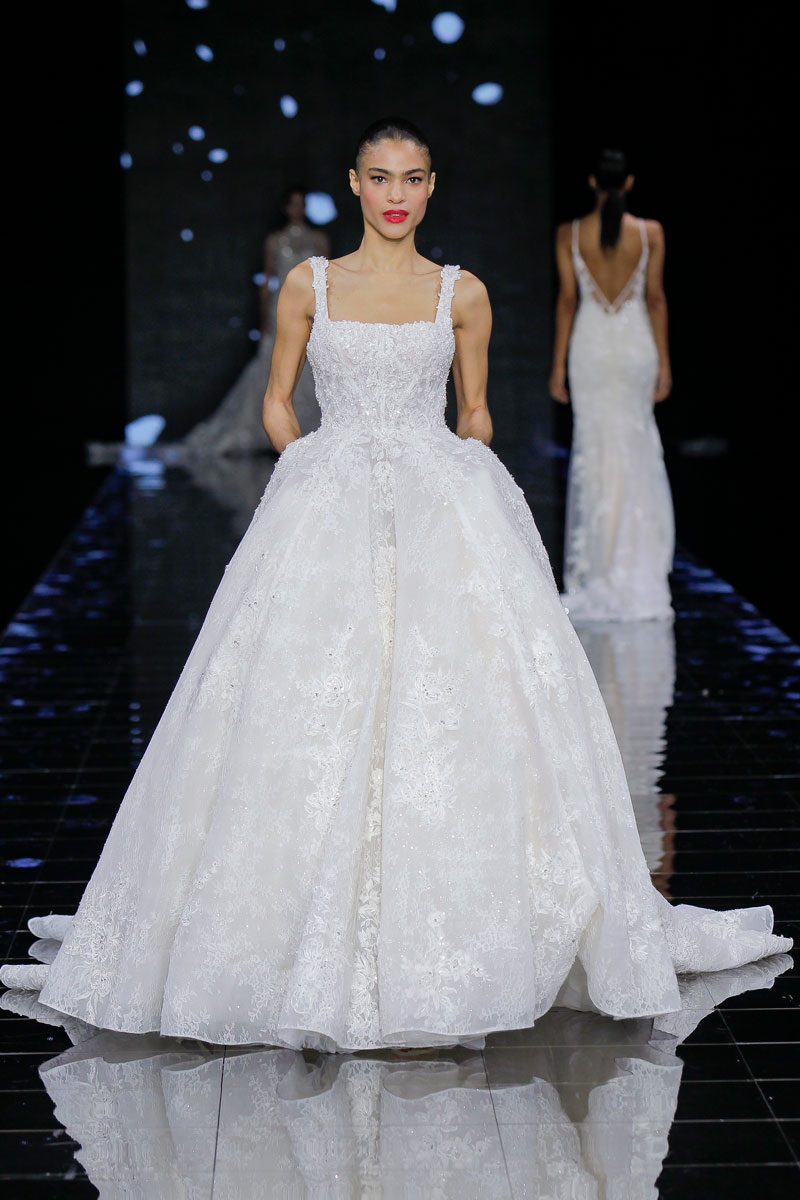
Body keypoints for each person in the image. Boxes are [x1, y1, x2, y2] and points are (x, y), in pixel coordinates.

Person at [1, 119, 788, 1053]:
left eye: (412, 178)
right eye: (380, 178)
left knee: (446, 704)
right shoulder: (311, 284)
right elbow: (277, 400)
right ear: (355, 183)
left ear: (431, 186)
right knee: (301, 703)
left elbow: (476, 413)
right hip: (327, 505)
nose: (396, 195)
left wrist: (459, 472)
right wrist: (311, 464)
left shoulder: (463, 293)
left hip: (432, 509)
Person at [551, 149, 674, 621]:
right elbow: (656, 300)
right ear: (629, 183)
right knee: (634, 447)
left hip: (591, 350)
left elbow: (567, 302)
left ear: (592, 183)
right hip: (634, 348)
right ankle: (636, 567)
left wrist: (557, 366)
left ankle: (600, 567)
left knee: (596, 451)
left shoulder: (570, 234)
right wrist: (664, 363)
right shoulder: (650, 233)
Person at [180, 187, 329, 455]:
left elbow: (328, 279)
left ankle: (310, 432)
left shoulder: (318, 239)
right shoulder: (275, 240)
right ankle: (275, 431)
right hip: (281, 307)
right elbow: (268, 281)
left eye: (301, 204)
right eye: (293, 204)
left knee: (311, 365)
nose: (297, 209)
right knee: (274, 365)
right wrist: (264, 317)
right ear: (286, 208)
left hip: (312, 307)